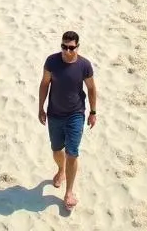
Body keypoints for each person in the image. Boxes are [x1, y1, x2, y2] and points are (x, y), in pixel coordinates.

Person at [38, 32, 97, 211]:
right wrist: (40, 108)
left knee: (72, 153)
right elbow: (44, 84)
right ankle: (60, 169)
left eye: (71, 47)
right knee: (57, 150)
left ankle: (69, 192)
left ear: (77, 47)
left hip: (75, 114)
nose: (67, 51)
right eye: (64, 46)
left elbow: (92, 88)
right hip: (55, 113)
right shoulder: (51, 61)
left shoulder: (84, 65)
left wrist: (93, 112)